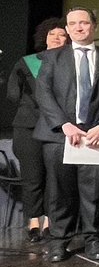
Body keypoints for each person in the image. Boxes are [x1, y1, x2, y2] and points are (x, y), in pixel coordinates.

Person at [36, 7, 99, 262]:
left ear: (93, 26)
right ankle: (59, 241)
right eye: (73, 23)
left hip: (95, 136)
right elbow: (43, 92)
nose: (79, 27)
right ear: (67, 29)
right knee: (60, 192)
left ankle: (92, 239)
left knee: (93, 192)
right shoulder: (52, 57)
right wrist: (64, 124)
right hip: (60, 135)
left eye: (84, 23)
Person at [8, 17, 66, 242]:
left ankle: (51, 222)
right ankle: (33, 221)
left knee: (54, 177)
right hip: (28, 126)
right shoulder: (28, 62)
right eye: (53, 34)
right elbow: (13, 94)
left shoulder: (71, 63)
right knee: (32, 177)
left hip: (57, 128)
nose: (57, 38)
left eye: (62, 35)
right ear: (45, 37)